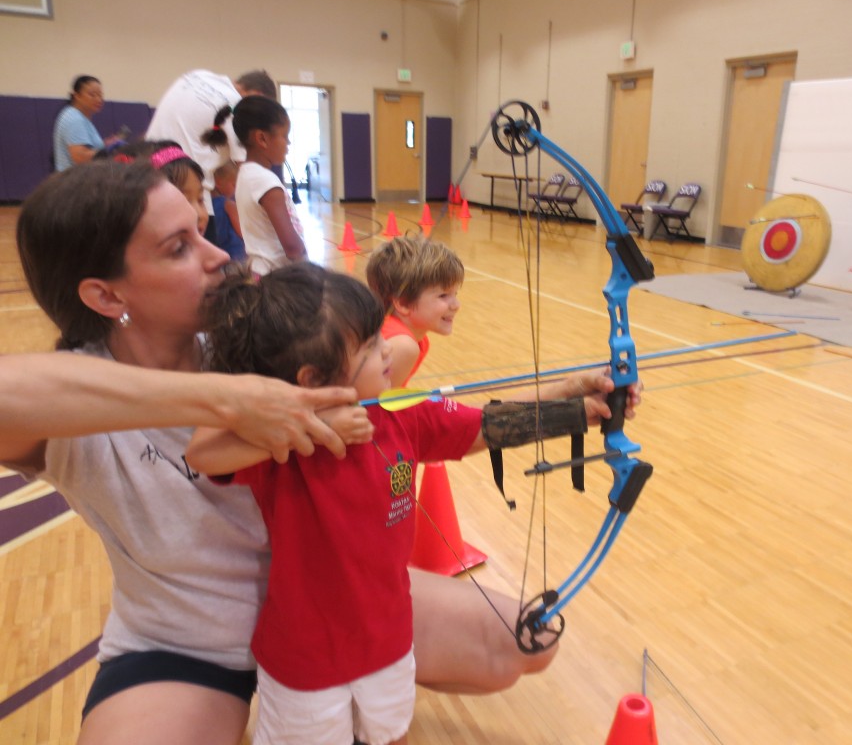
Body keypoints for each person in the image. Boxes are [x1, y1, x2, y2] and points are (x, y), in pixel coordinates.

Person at [2, 161, 640, 744]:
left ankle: (351, 690)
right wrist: (223, 404)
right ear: (106, 295)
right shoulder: (68, 403)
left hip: (340, 605)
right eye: (178, 248)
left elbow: (439, 425)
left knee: (526, 643)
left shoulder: (267, 340)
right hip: (185, 646)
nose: (218, 252)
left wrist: (565, 403)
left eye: (201, 228)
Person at [186, 262, 608, 745]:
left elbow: (486, 425)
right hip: (305, 663)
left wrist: (572, 405)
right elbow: (203, 451)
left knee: (390, 736)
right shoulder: (278, 446)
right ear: (313, 378)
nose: (388, 348)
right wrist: (313, 427)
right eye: (369, 347)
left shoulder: (398, 413)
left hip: (388, 643)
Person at [146, 69, 276, 242]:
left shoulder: (197, 75)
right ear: (256, 95)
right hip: (186, 192)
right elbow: (249, 171)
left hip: (147, 177)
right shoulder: (236, 106)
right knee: (201, 262)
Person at [202, 96, 305, 274]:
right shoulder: (265, 181)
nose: (288, 143)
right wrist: (307, 267)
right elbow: (292, 247)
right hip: (280, 279)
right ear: (262, 138)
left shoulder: (245, 174)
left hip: (260, 272)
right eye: (284, 136)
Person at [366, 235, 463, 387]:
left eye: (455, 294)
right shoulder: (403, 345)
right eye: (443, 295)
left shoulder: (415, 339)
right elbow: (380, 407)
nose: (456, 305)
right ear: (403, 303)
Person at [52, 75, 119, 171]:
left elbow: (88, 150)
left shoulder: (80, 117)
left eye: (100, 95)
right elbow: (81, 158)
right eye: (92, 95)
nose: (98, 99)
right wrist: (109, 150)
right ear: (77, 96)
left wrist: (105, 144)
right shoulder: (74, 119)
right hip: (74, 182)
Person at [211, 161, 246, 261]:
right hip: (236, 255)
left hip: (219, 253)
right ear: (218, 182)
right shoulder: (229, 204)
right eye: (234, 185)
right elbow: (243, 232)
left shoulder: (207, 205)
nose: (236, 189)